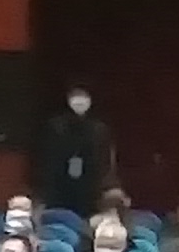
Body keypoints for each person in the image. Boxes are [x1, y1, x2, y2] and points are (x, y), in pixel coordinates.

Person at [33, 84, 117, 214]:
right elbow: (46, 161)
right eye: (76, 96)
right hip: (59, 185)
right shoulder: (54, 126)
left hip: (91, 186)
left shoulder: (100, 129)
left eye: (83, 96)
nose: (79, 101)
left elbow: (105, 161)